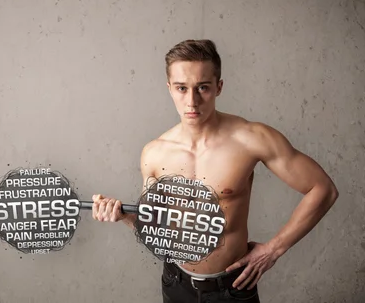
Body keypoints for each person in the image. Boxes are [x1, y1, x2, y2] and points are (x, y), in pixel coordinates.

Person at [91, 39, 339, 303]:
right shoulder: (154, 154)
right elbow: (156, 228)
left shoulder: (251, 138)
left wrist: (273, 250)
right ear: (169, 89)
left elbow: (323, 189)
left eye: (203, 88)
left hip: (231, 287)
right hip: (176, 283)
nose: (192, 101)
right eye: (181, 88)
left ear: (219, 87)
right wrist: (123, 216)